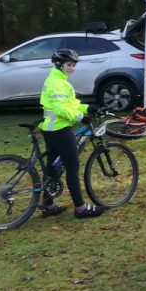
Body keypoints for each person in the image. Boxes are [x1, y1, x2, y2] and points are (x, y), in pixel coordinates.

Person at [38, 49, 105, 219]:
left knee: (52, 168)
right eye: (69, 65)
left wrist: (87, 108)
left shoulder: (59, 80)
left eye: (74, 65)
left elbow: (70, 103)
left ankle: (48, 205)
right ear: (60, 65)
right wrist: (81, 116)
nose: (72, 68)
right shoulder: (57, 82)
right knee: (72, 167)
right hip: (59, 129)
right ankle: (81, 208)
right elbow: (61, 109)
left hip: (51, 129)